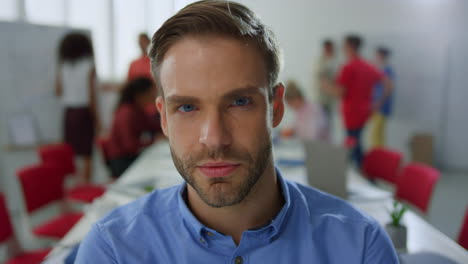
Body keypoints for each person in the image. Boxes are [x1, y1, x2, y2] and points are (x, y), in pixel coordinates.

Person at [75, 1, 398, 263]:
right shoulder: (112, 250)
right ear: (163, 119)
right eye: (186, 107)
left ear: (277, 106)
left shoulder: (360, 247)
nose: (214, 138)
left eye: (240, 102)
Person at [327, 35, 393, 168]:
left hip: (352, 114)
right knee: (355, 144)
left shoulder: (348, 67)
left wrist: (325, 86)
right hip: (364, 113)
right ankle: (363, 173)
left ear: (350, 47)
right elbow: (389, 84)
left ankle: (365, 175)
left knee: (354, 148)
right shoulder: (368, 65)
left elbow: (340, 93)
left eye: (344, 45)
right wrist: (377, 104)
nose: (342, 48)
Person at [55, 32, 99, 184]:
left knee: (71, 151)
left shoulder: (64, 65)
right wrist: (97, 119)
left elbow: (58, 90)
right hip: (83, 112)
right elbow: (92, 96)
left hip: (68, 112)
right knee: (87, 153)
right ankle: (85, 184)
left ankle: (74, 185)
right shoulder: (89, 65)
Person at [107, 77, 161, 178]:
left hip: (131, 156)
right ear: (140, 94)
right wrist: (154, 141)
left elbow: (153, 126)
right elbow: (130, 146)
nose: (154, 96)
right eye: (151, 93)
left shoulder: (138, 109)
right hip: (123, 161)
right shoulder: (127, 112)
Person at [371, 46, 395, 148]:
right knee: (378, 134)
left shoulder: (387, 70)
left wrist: (379, 103)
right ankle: (381, 156)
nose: (375, 57)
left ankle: (378, 157)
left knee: (376, 134)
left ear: (382, 56)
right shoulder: (379, 69)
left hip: (381, 106)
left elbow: (389, 88)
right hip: (377, 105)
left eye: (377, 55)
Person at [315, 39, 337, 138]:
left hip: (330, 99)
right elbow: (322, 81)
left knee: (329, 125)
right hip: (322, 99)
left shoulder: (332, 60)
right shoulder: (322, 62)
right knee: (323, 124)